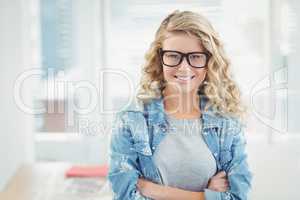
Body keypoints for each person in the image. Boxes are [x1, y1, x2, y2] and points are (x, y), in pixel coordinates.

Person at [108, 10, 252, 200]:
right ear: (160, 58)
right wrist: (206, 196)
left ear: (209, 61)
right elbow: (126, 195)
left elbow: (237, 196)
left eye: (196, 57)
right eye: (174, 56)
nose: (184, 67)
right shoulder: (131, 119)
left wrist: (156, 190)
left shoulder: (226, 122)